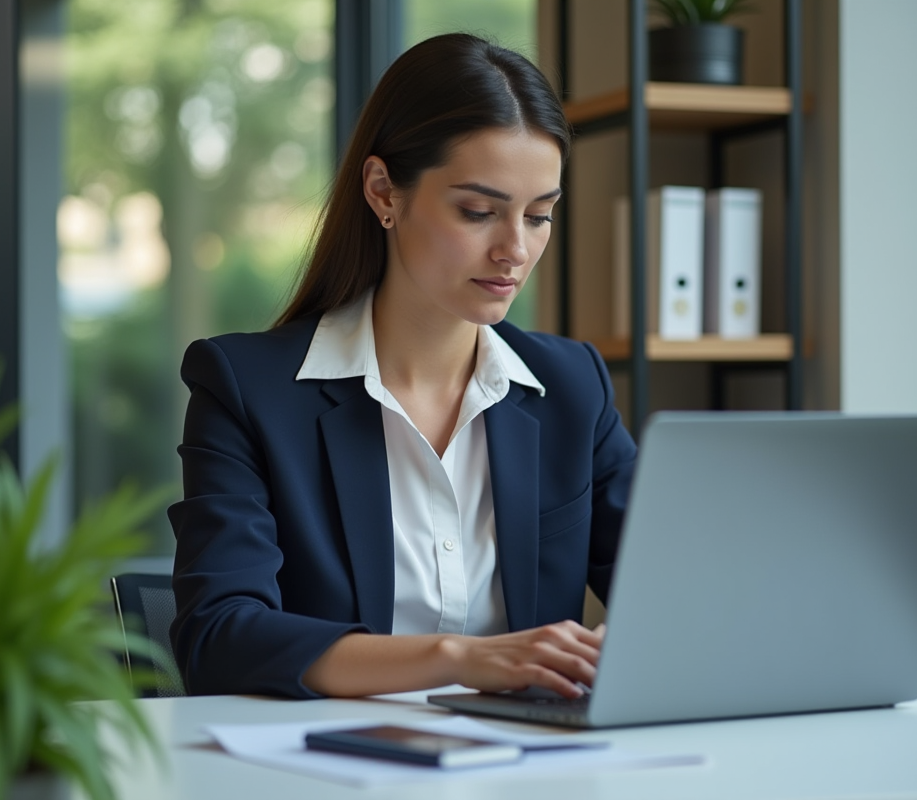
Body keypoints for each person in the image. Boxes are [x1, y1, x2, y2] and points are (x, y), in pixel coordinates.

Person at [167, 33, 636, 700]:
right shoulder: (247, 389)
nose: (515, 250)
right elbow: (218, 637)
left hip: (533, 771)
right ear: (384, 192)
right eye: (479, 212)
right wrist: (459, 658)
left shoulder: (569, 388)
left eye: (539, 216)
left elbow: (678, 596)